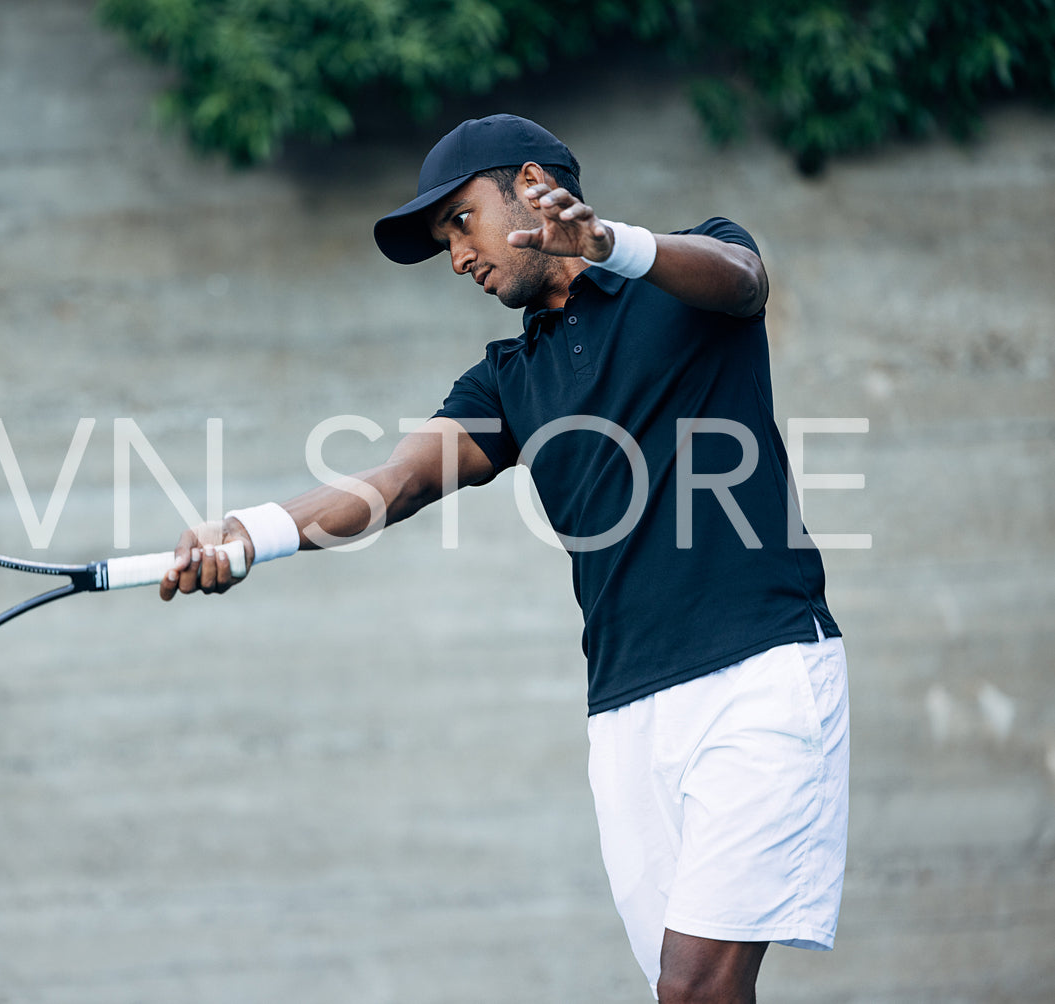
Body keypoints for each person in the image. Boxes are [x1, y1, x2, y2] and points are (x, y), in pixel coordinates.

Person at [159, 113, 850, 1003]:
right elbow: (396, 481)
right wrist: (250, 531)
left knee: (696, 989)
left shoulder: (685, 270)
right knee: (680, 995)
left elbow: (744, 280)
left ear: (529, 187)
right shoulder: (505, 381)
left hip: (758, 673)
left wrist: (609, 243)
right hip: (625, 713)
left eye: (458, 221)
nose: (455, 257)